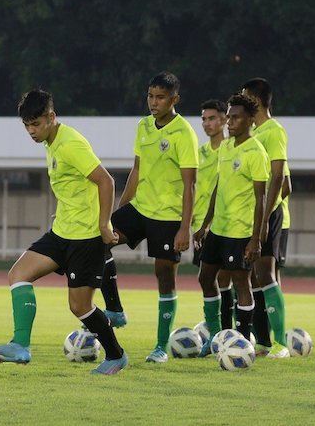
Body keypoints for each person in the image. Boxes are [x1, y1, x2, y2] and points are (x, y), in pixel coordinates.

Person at [0, 89, 128, 375]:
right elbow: (75, 186)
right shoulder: (51, 142)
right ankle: (20, 345)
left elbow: (106, 181)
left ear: (51, 117)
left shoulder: (70, 144)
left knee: (80, 307)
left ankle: (116, 355)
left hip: (86, 238)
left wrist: (104, 224)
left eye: (36, 124)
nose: (31, 132)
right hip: (62, 232)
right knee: (18, 274)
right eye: (26, 126)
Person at [110, 71, 198, 363]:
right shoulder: (143, 126)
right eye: (150, 96)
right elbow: (136, 170)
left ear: (175, 99)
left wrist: (185, 228)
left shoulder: (184, 132)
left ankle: (161, 346)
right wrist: (121, 210)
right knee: (98, 240)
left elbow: (190, 185)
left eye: (160, 97)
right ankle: (114, 309)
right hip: (141, 208)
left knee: (164, 276)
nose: (153, 102)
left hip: (169, 217)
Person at [194, 93, 269, 346]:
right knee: (205, 278)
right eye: (230, 117)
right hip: (218, 229)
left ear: (249, 120)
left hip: (241, 231)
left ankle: (242, 340)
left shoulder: (256, 151)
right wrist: (205, 225)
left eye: (236, 117)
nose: (230, 122)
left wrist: (256, 239)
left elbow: (261, 198)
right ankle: (216, 335)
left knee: (241, 283)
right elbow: (219, 187)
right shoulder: (225, 147)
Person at [242, 77, 290, 358]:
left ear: (256, 101)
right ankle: (262, 342)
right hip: (251, 216)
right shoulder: (254, 135)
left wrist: (263, 219)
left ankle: (281, 343)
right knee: (254, 278)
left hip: (270, 215)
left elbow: (280, 180)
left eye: (244, 96)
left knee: (265, 274)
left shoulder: (274, 131)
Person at [193, 99, 234, 330]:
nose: (207, 123)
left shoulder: (231, 150)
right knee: (209, 280)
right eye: (204, 119)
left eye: (212, 118)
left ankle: (230, 331)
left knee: (226, 279)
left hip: (226, 225)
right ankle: (218, 333)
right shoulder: (199, 153)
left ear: (224, 120)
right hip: (200, 227)